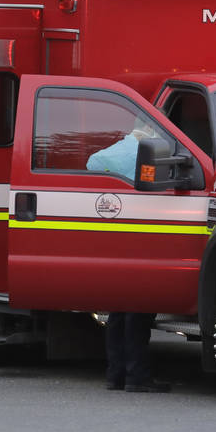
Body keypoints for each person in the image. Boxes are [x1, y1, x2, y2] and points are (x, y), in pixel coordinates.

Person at [87, 118, 170, 393]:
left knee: (118, 311)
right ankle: (137, 376)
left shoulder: (107, 155)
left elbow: (91, 164)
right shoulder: (148, 156)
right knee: (138, 312)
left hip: (114, 240)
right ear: (151, 130)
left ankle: (115, 374)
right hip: (144, 238)